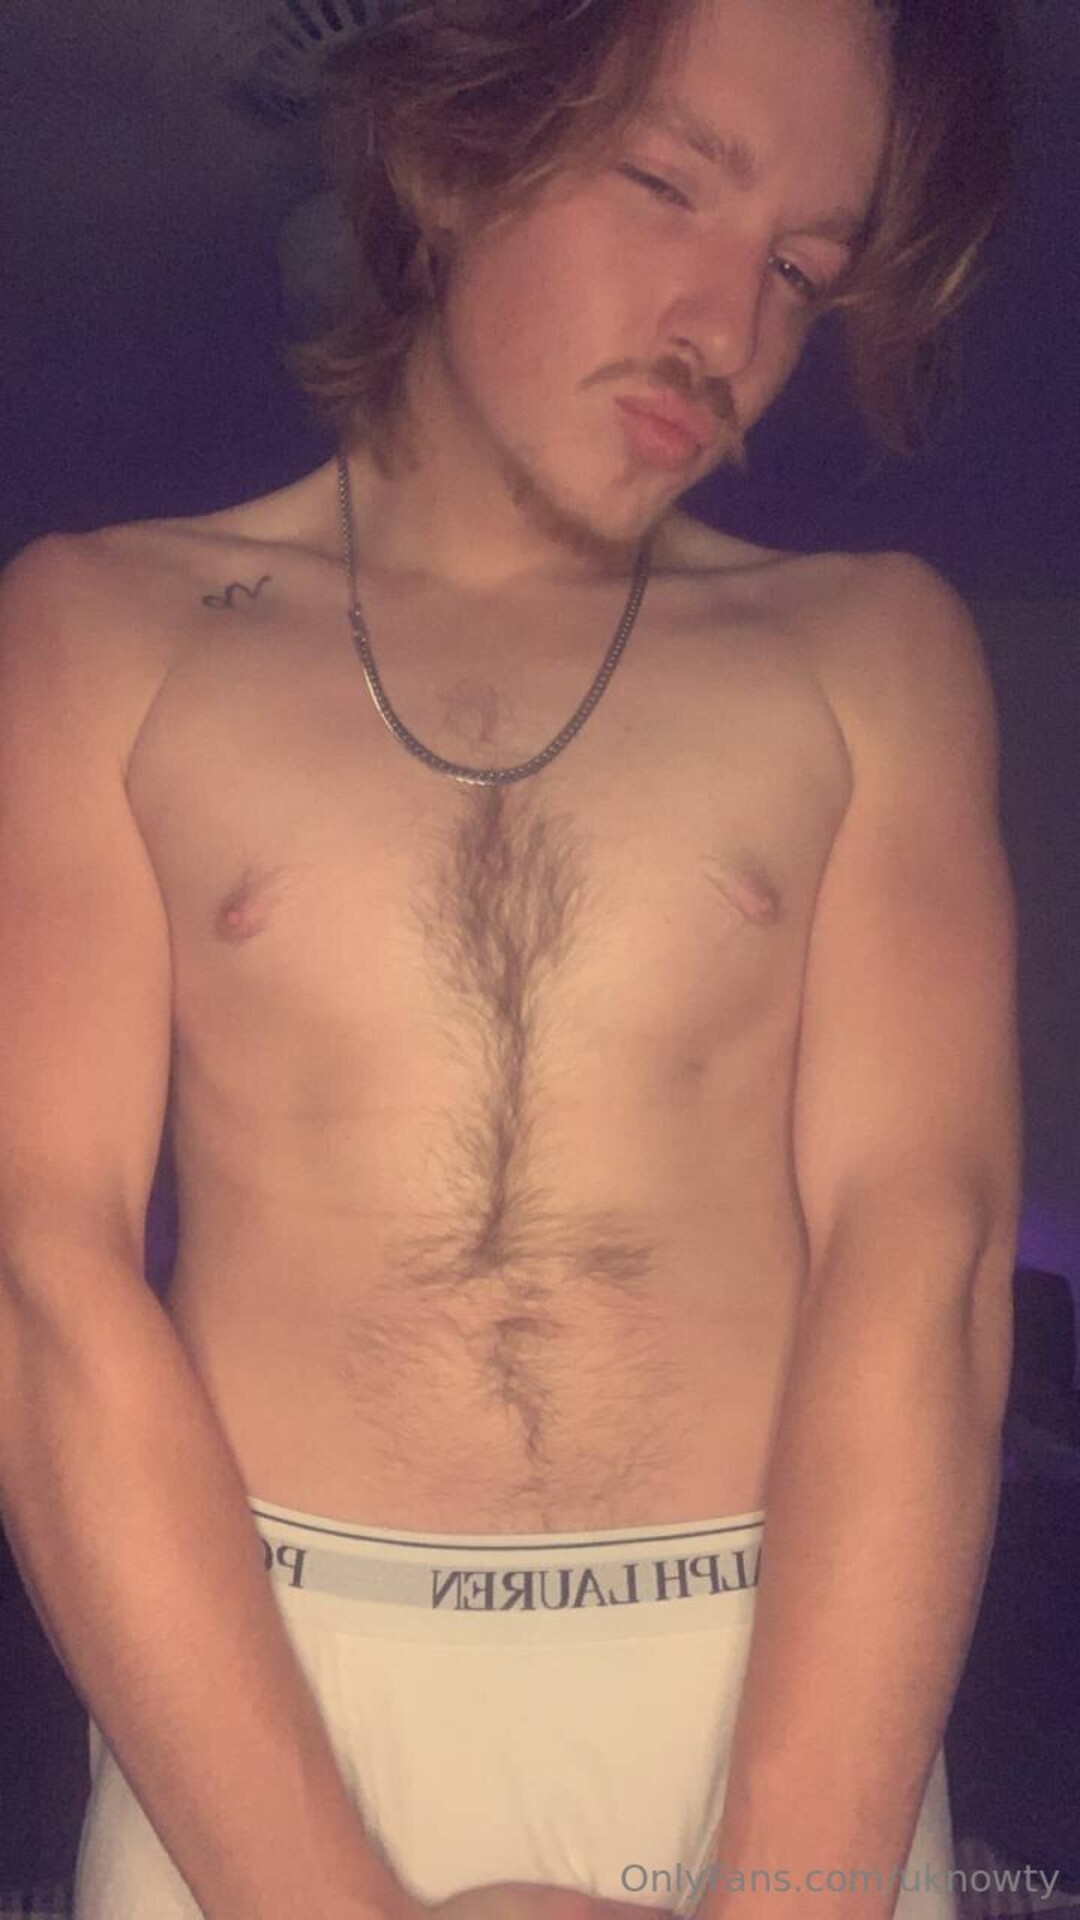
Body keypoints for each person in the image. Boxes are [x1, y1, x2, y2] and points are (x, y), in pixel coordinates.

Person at [0, 0, 1024, 1916]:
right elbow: (37, 1275)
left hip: (779, 1695)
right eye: (668, 184)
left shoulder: (870, 650)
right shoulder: (97, 632)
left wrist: (792, 1895)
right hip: (259, 1698)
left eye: (800, 272)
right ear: (458, 147)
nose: (726, 331)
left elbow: (929, 1252)